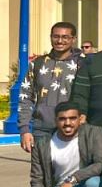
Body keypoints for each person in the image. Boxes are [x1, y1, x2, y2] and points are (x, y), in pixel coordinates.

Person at [17, 21, 85, 153]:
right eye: (56, 36)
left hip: (73, 130)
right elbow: (25, 97)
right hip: (42, 130)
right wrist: (24, 129)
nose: (60, 41)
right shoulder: (37, 64)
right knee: (41, 167)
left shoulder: (83, 64)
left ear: (74, 39)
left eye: (65, 37)